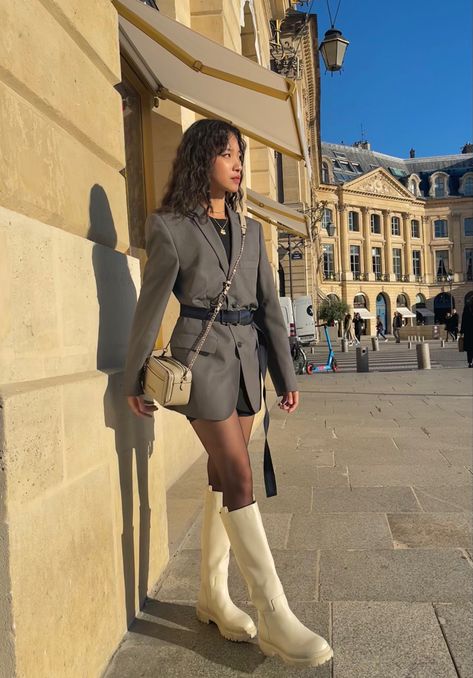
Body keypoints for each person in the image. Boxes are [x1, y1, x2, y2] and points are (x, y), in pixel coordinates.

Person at [123, 119, 333, 668]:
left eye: (240, 154)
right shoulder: (170, 226)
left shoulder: (250, 229)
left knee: (221, 477)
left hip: (246, 364)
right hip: (203, 362)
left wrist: (286, 377)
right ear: (201, 160)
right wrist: (134, 376)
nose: (238, 163)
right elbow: (151, 306)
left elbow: (269, 308)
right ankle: (274, 613)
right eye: (226, 154)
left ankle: (212, 596)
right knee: (239, 474)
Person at [460, 297, 473, 367]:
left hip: (468, 331)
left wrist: (462, 331)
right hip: (469, 330)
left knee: (470, 348)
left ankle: (470, 363)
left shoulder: (467, 307)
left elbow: (463, 320)